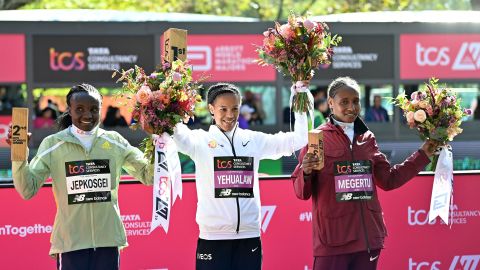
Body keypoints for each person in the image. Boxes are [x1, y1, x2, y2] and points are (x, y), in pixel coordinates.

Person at [290, 77, 439, 270]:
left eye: (355, 101)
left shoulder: (367, 138)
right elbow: (301, 192)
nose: (351, 107)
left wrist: (423, 154)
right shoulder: (317, 138)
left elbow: (389, 179)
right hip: (333, 242)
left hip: (368, 241)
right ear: (330, 103)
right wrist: (306, 172)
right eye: (344, 102)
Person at [7, 83, 154, 270]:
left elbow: (148, 176)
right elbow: (27, 189)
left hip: (107, 242)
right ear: (69, 110)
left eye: (94, 109)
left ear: (101, 109)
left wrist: (159, 140)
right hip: (70, 244)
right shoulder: (53, 144)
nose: (88, 115)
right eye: (80, 109)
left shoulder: (115, 142)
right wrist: (19, 154)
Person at [172, 83, 308, 270]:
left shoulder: (253, 140)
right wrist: (166, 98)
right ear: (211, 109)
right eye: (223, 109)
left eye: (235, 108)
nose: (230, 115)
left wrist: (300, 98)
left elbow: (299, 140)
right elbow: (174, 131)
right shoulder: (198, 141)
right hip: (213, 237)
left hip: (249, 236)